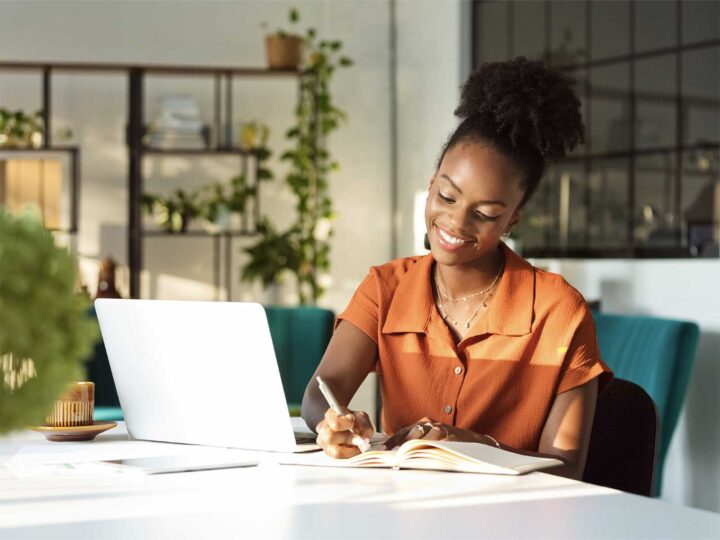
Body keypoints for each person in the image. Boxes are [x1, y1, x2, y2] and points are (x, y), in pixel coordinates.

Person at [301, 57, 613, 480]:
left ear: (513, 218)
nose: (456, 224)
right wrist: (336, 421)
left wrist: (466, 441)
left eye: (484, 213)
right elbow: (321, 393)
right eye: (447, 197)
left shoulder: (559, 311)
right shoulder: (384, 287)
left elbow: (567, 467)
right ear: (431, 185)